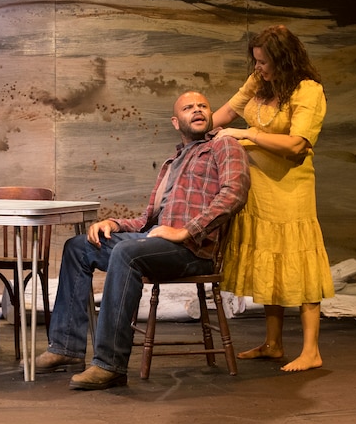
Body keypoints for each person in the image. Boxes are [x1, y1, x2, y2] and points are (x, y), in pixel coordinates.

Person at [35, 90, 250, 390]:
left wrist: (186, 231)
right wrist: (114, 223)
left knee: (126, 252)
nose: (198, 110)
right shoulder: (171, 163)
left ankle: (110, 364)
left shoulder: (223, 145)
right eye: (189, 108)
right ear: (176, 122)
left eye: (203, 106)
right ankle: (66, 349)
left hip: (193, 250)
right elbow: (148, 219)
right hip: (158, 242)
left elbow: (234, 194)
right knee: (79, 247)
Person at [211, 25, 334, 372]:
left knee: (299, 261)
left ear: (284, 59)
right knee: (270, 264)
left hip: (289, 188)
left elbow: (297, 144)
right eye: (256, 62)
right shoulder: (259, 82)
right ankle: (273, 343)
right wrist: (198, 126)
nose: (258, 68)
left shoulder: (308, 91)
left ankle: (311, 350)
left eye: (264, 62)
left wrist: (247, 135)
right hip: (258, 187)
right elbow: (226, 113)